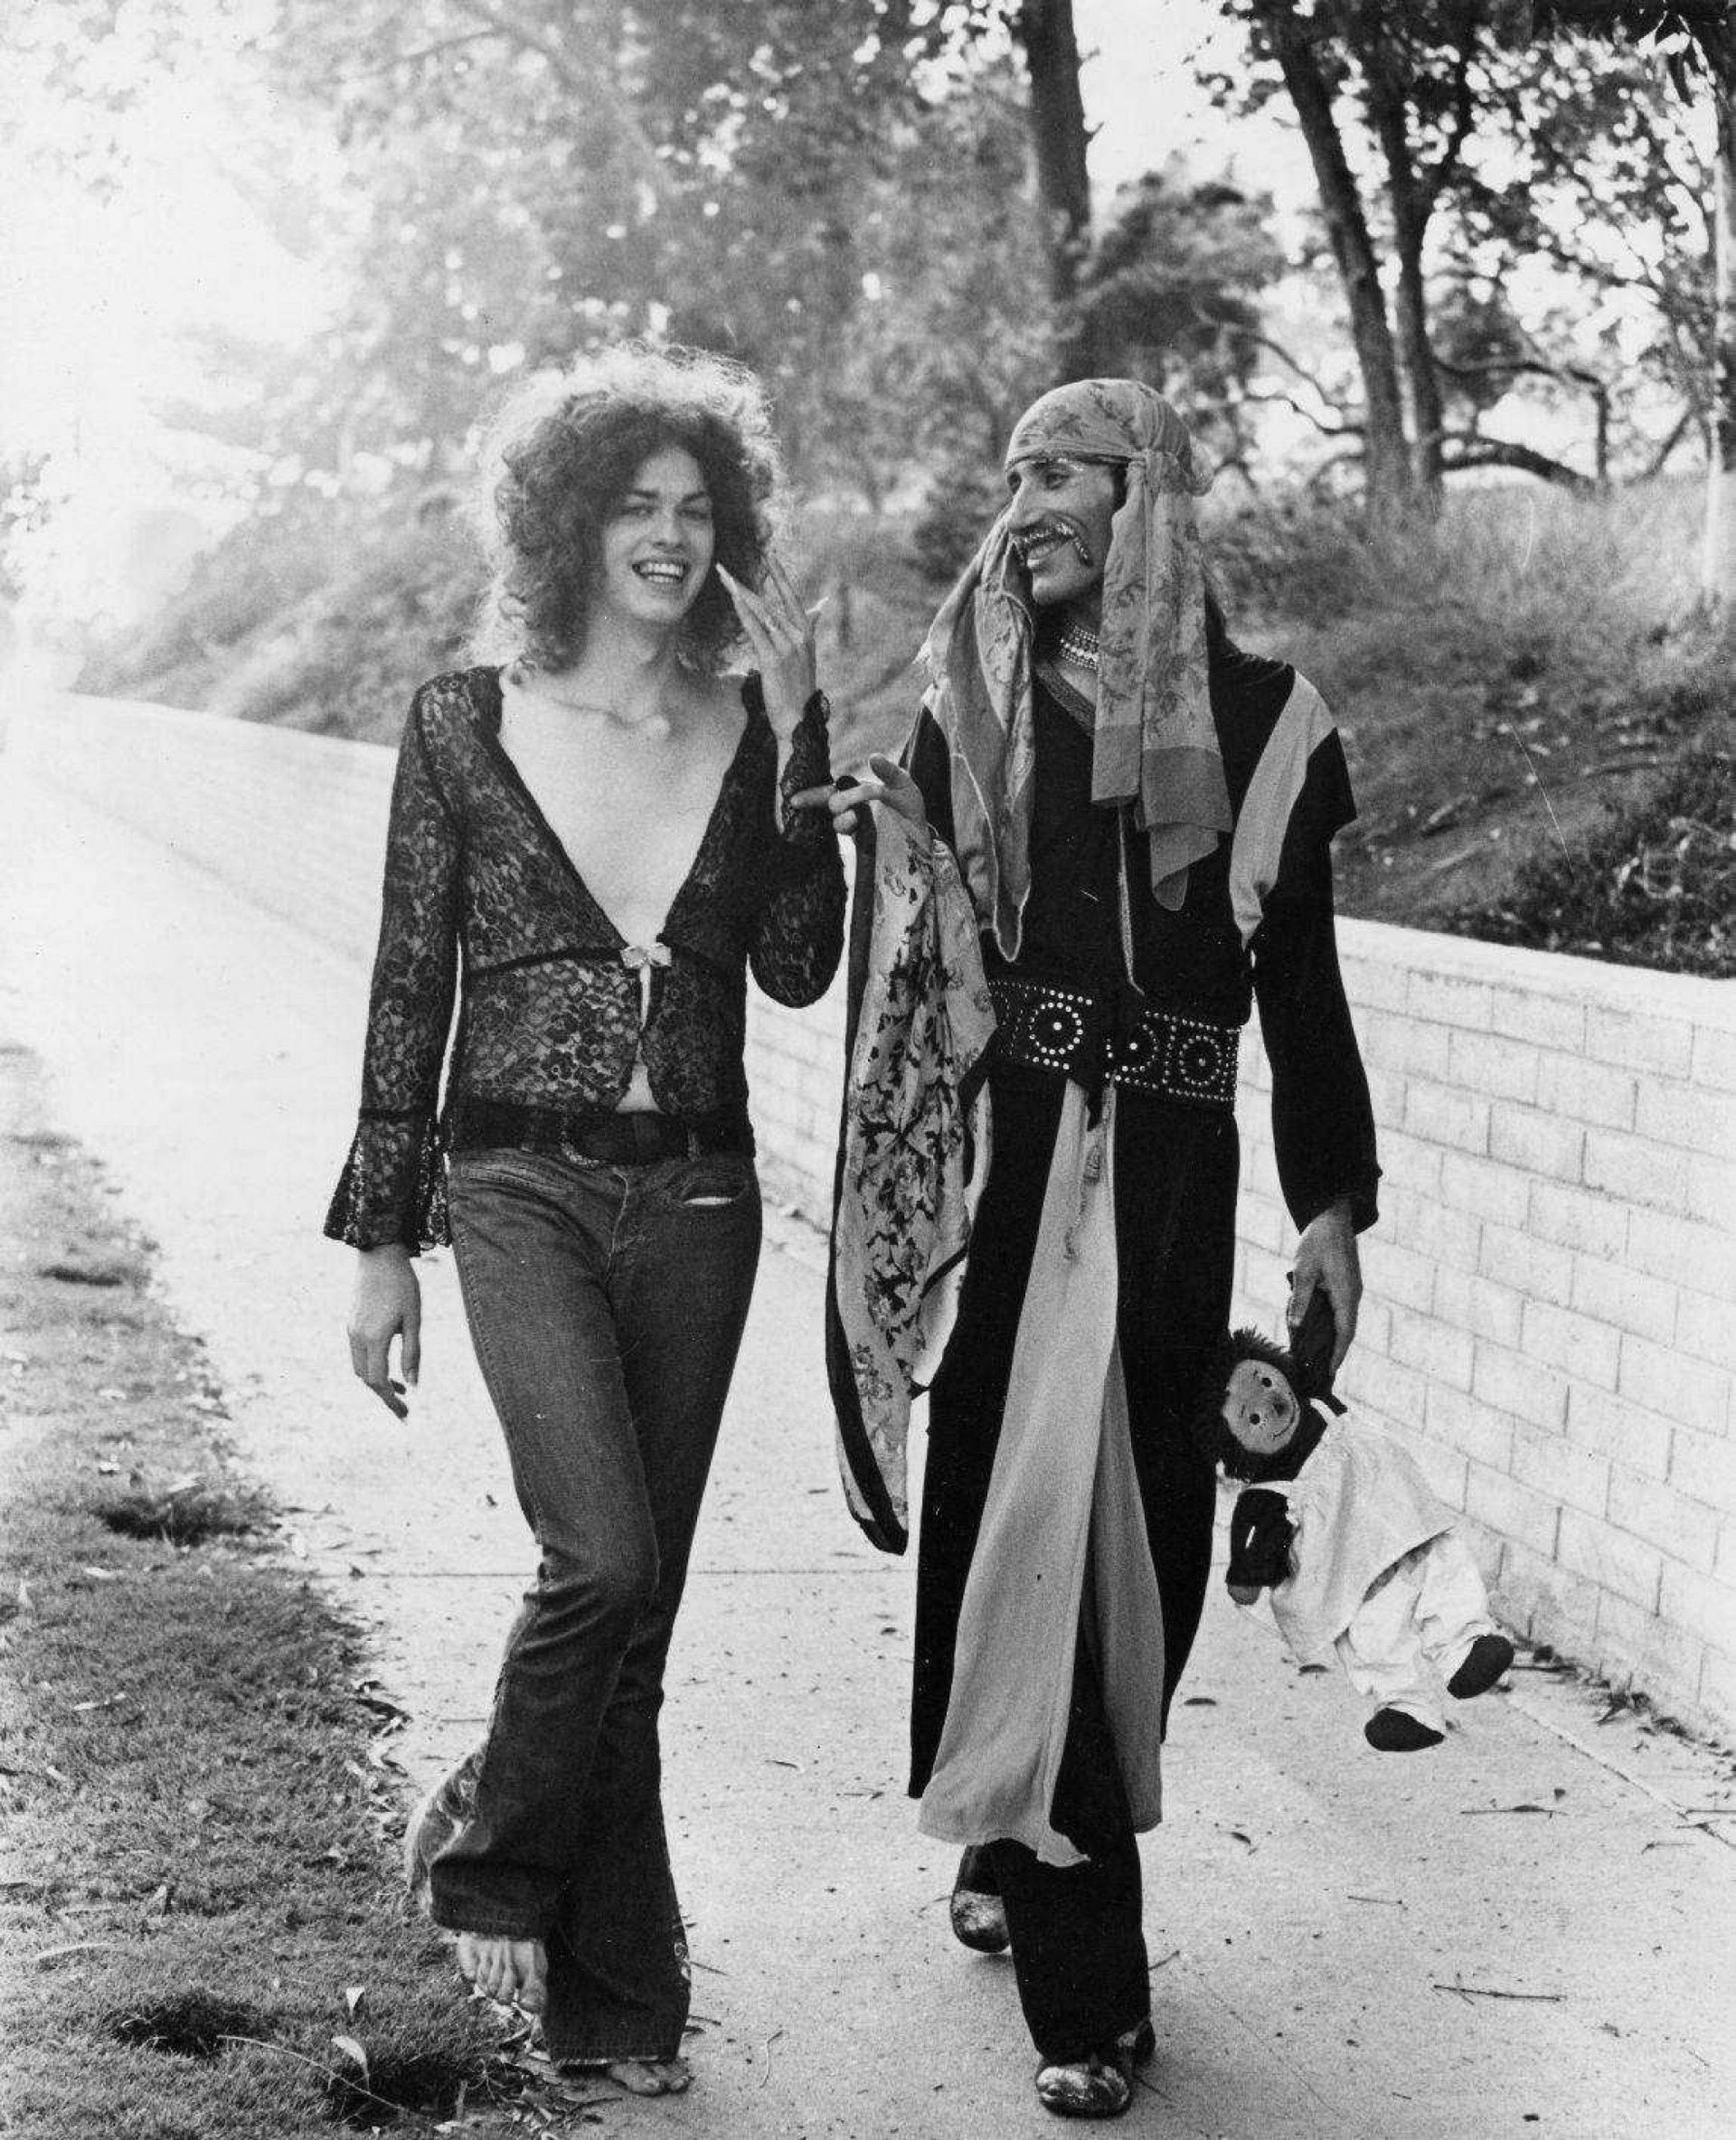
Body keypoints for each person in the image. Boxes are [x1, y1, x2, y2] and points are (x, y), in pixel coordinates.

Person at [827, 379, 1379, 2118]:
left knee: (1134, 1538)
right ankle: (1088, 1990)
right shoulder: (970, 704)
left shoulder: (1271, 726)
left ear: (1149, 496)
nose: (1027, 504)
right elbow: (921, 973)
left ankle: (1013, 1823)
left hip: (1170, 1191)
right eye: (1013, 475)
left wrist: (1329, 1205)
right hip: (1017, 1193)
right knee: (1025, 1534)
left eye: (1063, 470)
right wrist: (879, 844)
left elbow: (1303, 992)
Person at [326, 345, 844, 2095]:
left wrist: (807, 742)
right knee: (600, 1560)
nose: (670, 537)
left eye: (697, 509)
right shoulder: (460, 721)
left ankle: (617, 2004)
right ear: (569, 525)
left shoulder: (749, 730)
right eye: (635, 505)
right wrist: (383, 1241)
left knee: (642, 1623)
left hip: (698, 1192)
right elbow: (409, 986)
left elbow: (796, 965)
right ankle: (486, 1854)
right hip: (517, 1186)